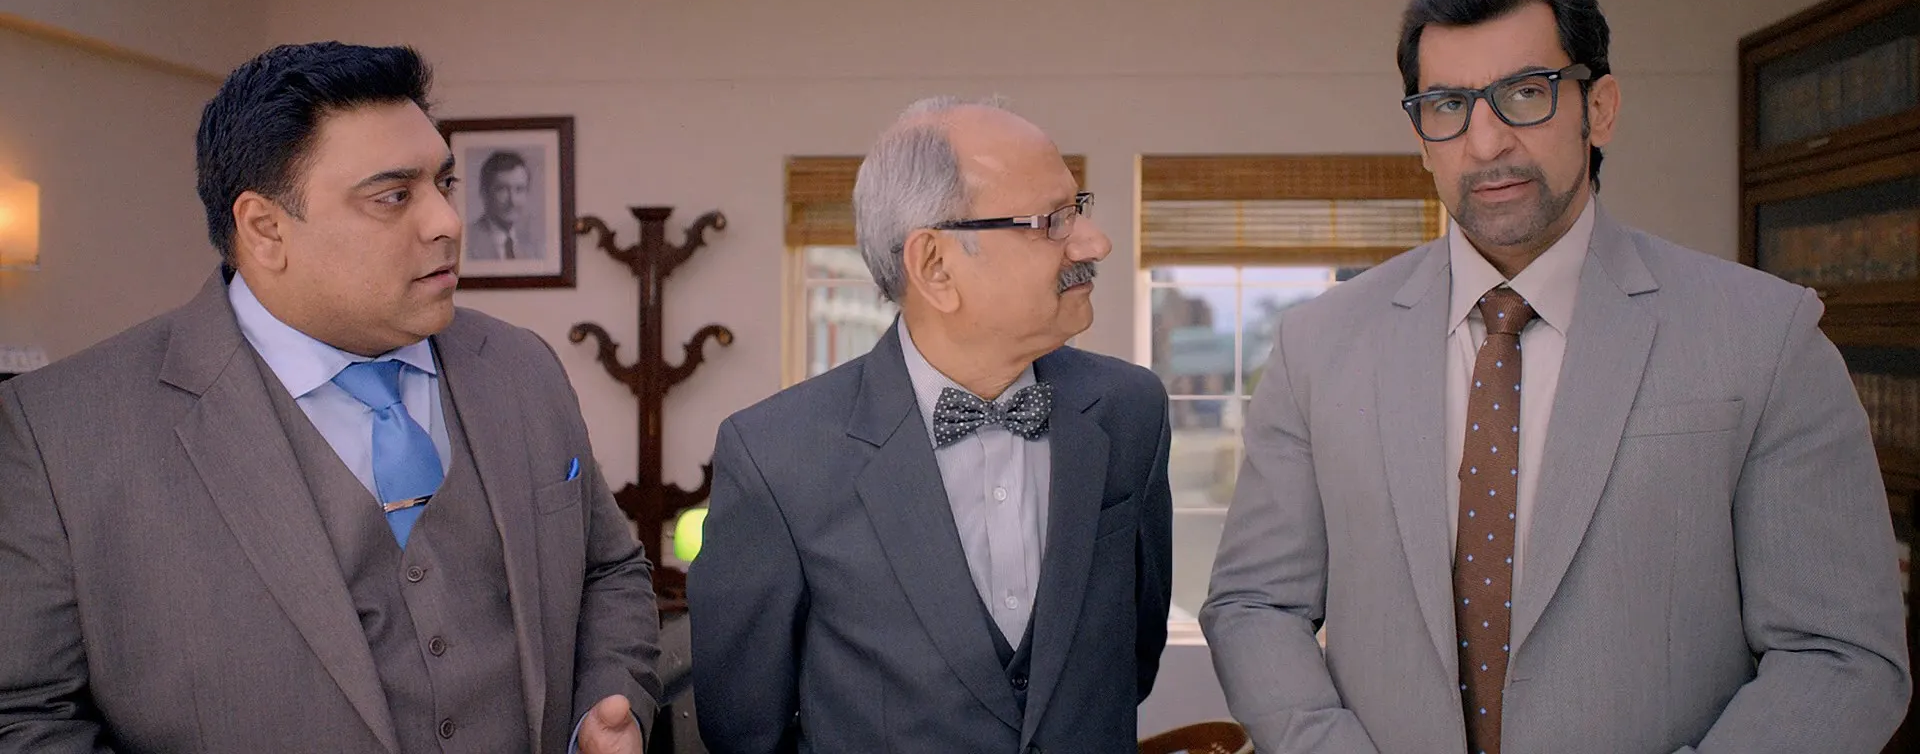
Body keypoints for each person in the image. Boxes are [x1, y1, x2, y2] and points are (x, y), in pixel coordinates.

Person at [1201, 0, 1911, 754]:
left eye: (1525, 93)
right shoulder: (1318, 344)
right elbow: (1255, 604)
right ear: (1421, 137)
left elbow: (1839, 656)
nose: (1485, 140)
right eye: (1447, 105)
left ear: (1598, 109)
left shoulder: (1765, 336)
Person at [0, 41, 661, 753]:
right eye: (394, 196)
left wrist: (605, 706)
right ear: (265, 229)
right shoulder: (58, 432)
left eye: (443, 183)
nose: (446, 221)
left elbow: (609, 570)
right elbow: (24, 714)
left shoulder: (521, 367)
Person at [688, 96, 1173, 753]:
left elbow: (1132, 658)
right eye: (1051, 221)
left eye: (1077, 208)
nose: (1095, 243)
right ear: (936, 267)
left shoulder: (1131, 411)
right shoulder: (775, 457)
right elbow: (745, 729)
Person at [466, 149, 543, 260]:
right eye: (502, 189)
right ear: (484, 192)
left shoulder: (533, 247)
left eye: (519, 189)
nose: (512, 201)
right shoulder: (467, 242)